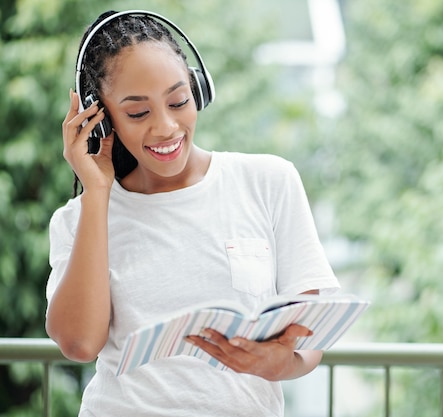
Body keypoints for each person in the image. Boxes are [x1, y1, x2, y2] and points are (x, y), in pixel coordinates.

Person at [45, 10, 340, 416]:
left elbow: (310, 334)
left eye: (178, 100)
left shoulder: (269, 181)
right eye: (137, 112)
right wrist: (98, 192)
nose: (166, 127)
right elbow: (78, 344)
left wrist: (285, 363)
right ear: (100, 119)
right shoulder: (80, 217)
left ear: (197, 90)